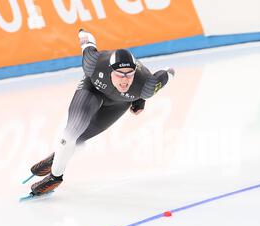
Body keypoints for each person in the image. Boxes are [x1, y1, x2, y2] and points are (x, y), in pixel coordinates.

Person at [27, 29, 175, 196]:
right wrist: (83, 32)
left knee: (80, 138)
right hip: (92, 89)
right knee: (70, 133)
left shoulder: (146, 85)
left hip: (118, 103)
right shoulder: (93, 64)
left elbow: (169, 72)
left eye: (129, 75)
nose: (125, 80)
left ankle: (58, 156)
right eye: (120, 75)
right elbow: (86, 39)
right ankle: (55, 177)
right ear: (111, 70)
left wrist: (140, 98)